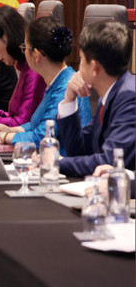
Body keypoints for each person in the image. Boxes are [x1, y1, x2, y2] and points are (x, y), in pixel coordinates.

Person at [0, 17, 91, 146]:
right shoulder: (57, 81)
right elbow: (36, 124)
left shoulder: (65, 87)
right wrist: (12, 130)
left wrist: (1, 136)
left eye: (25, 47)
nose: (23, 52)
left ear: (36, 55)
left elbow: (42, 137)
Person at [56, 20, 134, 177]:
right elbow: (79, 151)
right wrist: (69, 99)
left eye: (81, 59)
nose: (78, 68)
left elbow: (109, 161)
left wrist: (55, 162)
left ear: (94, 67)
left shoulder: (130, 98)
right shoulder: (110, 93)